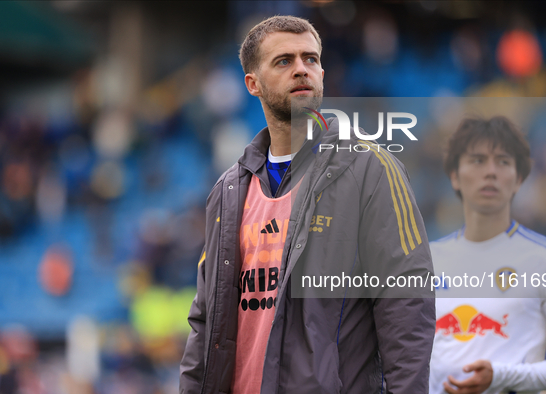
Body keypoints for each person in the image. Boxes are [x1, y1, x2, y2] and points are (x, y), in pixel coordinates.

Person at [179, 15, 435, 394]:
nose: (301, 69)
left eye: (310, 59)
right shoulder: (228, 190)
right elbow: (206, 321)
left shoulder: (371, 168)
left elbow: (407, 305)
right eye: (284, 61)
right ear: (253, 84)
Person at [429, 116, 546, 394]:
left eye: (503, 161)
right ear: (454, 175)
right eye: (478, 160)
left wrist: (502, 377)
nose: (490, 172)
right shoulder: (425, 261)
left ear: (519, 179)